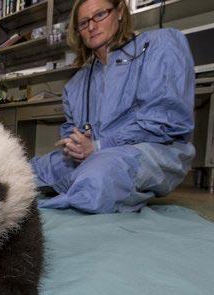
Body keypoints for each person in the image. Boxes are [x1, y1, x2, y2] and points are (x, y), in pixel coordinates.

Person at [30, 0, 195, 213]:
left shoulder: (160, 45)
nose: (91, 26)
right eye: (83, 23)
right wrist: (75, 145)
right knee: (27, 172)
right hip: (93, 156)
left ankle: (40, 214)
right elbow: (72, 130)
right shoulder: (76, 84)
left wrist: (99, 147)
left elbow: (168, 120)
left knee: (96, 178)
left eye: (99, 15)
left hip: (152, 150)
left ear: (119, 12)